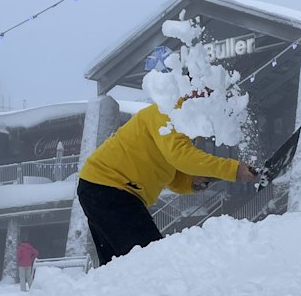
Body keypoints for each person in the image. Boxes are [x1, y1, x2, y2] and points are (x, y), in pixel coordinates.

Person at [77, 101, 256, 266]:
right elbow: (181, 157)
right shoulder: (166, 113)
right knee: (152, 260)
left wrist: (191, 182)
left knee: (119, 266)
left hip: (102, 188)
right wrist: (233, 169)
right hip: (109, 188)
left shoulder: (180, 126)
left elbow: (172, 175)